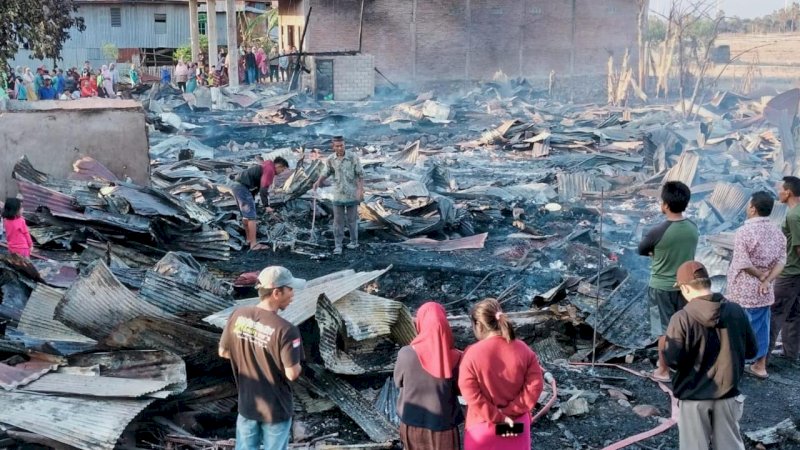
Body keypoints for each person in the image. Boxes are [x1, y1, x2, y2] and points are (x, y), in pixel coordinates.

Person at [664, 261, 757, 450]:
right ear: (708, 283)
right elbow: (752, 351)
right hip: (728, 396)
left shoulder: (681, 319)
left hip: (693, 398)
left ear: (685, 288)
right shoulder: (736, 311)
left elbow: (673, 360)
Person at [219, 266, 306, 450]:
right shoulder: (287, 330)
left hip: (247, 405)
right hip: (276, 409)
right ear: (276, 292)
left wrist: (250, 353)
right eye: (290, 289)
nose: (293, 295)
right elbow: (292, 374)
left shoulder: (238, 314)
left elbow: (224, 352)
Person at [458, 299, 543, 450]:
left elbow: (471, 394)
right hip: (516, 426)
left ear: (478, 325)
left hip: (483, 428)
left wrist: (499, 417)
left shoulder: (471, 354)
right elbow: (535, 386)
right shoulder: (524, 349)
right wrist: (510, 412)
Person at [638, 181, 699, 382]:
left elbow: (641, 249)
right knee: (682, 327)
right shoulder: (692, 228)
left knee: (663, 329)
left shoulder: (658, 231)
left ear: (665, 204)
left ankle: (663, 370)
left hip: (661, 287)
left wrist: (656, 252)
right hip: (687, 286)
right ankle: (681, 365)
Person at [726, 191, 786, 379]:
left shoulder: (744, 232)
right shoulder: (777, 232)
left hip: (743, 289)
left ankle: (734, 367)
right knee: (762, 325)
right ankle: (760, 366)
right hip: (764, 291)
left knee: (739, 327)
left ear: (752, 208)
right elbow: (782, 262)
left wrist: (760, 276)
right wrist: (767, 281)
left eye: (748, 205)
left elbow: (743, 263)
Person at [394, 302, 463, 450]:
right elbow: (460, 390)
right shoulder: (457, 357)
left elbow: (398, 382)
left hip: (411, 425)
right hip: (444, 427)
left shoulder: (406, 354)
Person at [312, 136, 364, 255]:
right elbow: (326, 172)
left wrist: (360, 191)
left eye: (342, 145)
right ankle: (338, 245)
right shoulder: (331, 159)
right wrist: (318, 182)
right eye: (337, 146)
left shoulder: (353, 157)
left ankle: (354, 242)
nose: (340, 148)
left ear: (344, 145)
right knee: (338, 221)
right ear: (333, 146)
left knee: (352, 220)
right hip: (338, 194)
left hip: (351, 193)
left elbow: (360, 175)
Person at [229, 157, 290, 250]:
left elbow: (258, 185)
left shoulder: (266, 166)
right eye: (282, 170)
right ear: (278, 165)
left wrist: (252, 199)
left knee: (246, 215)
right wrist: (266, 206)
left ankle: (249, 240)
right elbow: (263, 189)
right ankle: (253, 244)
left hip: (237, 186)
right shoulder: (270, 170)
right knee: (251, 217)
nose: (281, 172)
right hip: (242, 187)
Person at [770, 175, 800, 361]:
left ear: (788, 192)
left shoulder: (793, 215)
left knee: (775, 314)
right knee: (795, 313)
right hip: (797, 273)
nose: (778, 192)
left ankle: (761, 359)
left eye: (780, 189)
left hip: (789, 273)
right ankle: (790, 353)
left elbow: (798, 248)